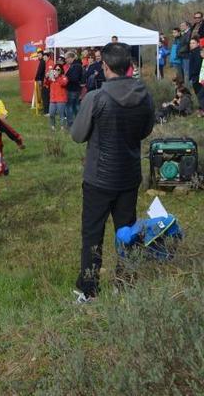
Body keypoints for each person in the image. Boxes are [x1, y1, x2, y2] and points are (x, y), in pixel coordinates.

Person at [70, 42, 155, 303]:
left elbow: (77, 135)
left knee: (93, 233)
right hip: (129, 175)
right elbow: (146, 130)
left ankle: (89, 289)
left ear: (105, 67)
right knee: (127, 230)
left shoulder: (97, 97)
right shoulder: (145, 94)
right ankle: (126, 282)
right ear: (129, 66)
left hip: (99, 177)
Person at [45, 56, 69, 130]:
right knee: (51, 114)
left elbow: (64, 84)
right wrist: (47, 77)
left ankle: (62, 127)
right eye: (55, 69)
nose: (57, 70)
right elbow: (46, 84)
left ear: (61, 70)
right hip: (53, 99)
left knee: (61, 114)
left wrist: (58, 77)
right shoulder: (52, 77)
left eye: (58, 69)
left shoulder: (64, 77)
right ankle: (53, 127)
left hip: (61, 99)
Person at [64, 51, 84, 127]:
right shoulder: (76, 65)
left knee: (70, 106)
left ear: (71, 58)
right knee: (76, 106)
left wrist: (66, 78)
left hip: (72, 89)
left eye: (66, 58)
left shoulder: (75, 66)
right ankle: (80, 123)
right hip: (76, 89)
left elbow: (75, 78)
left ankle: (71, 123)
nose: (65, 60)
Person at [188, 37, 202, 113]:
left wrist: (193, 75)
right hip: (194, 76)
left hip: (197, 76)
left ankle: (201, 108)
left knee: (199, 93)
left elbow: (197, 65)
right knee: (198, 93)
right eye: (190, 43)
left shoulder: (197, 52)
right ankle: (201, 107)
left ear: (198, 43)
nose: (191, 44)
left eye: (193, 43)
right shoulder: (193, 52)